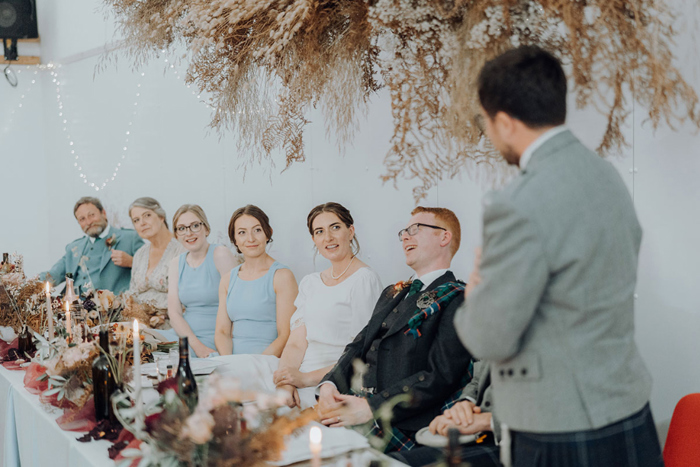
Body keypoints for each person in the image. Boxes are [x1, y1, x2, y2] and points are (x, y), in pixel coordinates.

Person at [454, 45, 661, 467]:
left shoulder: (517, 201)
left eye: (487, 123)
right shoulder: (606, 176)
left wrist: (475, 293)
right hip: (626, 407)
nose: (490, 136)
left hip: (559, 424)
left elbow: (488, 337)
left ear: (506, 122)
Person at [317, 207, 472, 454]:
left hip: (401, 425)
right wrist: (329, 386)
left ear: (444, 237)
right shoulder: (392, 292)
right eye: (404, 232)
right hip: (356, 409)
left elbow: (440, 375)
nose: (406, 237)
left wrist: (371, 407)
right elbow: (359, 346)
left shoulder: (459, 298)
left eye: (415, 230)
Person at [212, 202, 383, 408]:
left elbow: (361, 353)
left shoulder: (364, 279)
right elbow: (295, 343)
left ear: (351, 230)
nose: (328, 237)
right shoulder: (311, 282)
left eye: (335, 227)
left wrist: (304, 379)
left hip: (331, 379)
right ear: (314, 239)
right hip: (296, 373)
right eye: (319, 231)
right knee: (214, 381)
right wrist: (287, 381)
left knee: (258, 412)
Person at [214, 205, 298, 356]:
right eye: (242, 233)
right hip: (231, 361)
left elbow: (285, 335)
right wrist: (229, 363)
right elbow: (222, 332)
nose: (250, 238)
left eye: (257, 230)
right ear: (235, 239)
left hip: (267, 362)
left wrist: (256, 364)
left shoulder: (282, 276)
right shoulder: (228, 280)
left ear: (268, 233)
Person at [390, 361, 501, 467]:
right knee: (389, 462)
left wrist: (488, 421)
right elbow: (480, 377)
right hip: (479, 434)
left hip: (511, 445)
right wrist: (466, 403)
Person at [166, 205, 238, 358]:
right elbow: (174, 313)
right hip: (185, 337)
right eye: (182, 228)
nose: (189, 233)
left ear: (206, 228)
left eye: (195, 226)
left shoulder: (220, 254)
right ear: (177, 235)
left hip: (214, 336)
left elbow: (237, 304)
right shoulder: (175, 264)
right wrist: (196, 346)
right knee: (136, 343)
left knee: (172, 358)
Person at [40, 197, 143, 294]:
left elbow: (152, 270)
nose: (88, 222)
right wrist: (30, 283)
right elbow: (54, 275)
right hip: (76, 309)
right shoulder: (74, 248)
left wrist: (131, 262)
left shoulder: (130, 238)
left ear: (103, 213)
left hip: (113, 310)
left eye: (92, 215)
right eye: (82, 219)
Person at [129, 197, 185, 311]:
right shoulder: (139, 254)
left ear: (161, 217)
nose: (142, 223)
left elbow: (189, 296)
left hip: (173, 320)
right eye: (136, 220)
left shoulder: (182, 249)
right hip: (140, 321)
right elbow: (132, 294)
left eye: (147, 215)